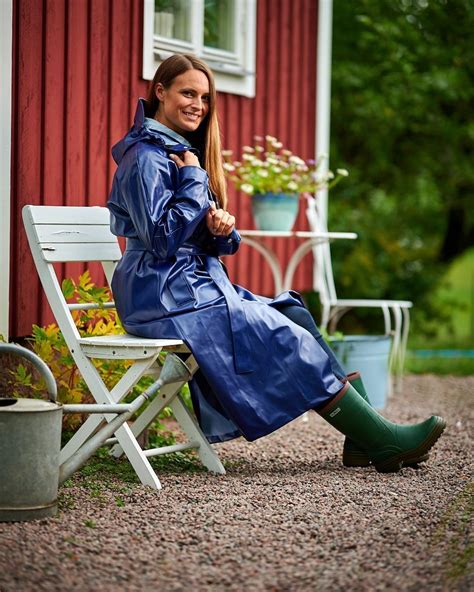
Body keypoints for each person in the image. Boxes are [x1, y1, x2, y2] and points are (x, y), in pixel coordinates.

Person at [107, 54, 445, 473]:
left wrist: (219, 228)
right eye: (187, 93)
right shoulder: (147, 157)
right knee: (285, 335)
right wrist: (195, 182)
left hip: (185, 288)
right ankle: (384, 443)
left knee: (292, 314)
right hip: (157, 296)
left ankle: (364, 438)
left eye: (205, 97)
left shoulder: (179, 152)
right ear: (160, 92)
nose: (198, 104)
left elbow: (203, 242)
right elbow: (160, 241)